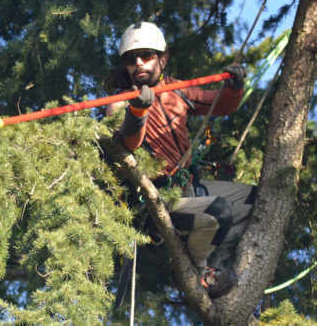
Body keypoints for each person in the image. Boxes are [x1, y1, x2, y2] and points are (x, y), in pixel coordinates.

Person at [105, 22, 255, 298]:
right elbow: (126, 145)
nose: (138, 62)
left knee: (253, 200)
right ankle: (197, 274)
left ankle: (217, 266)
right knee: (219, 212)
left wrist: (234, 87)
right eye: (131, 58)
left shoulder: (178, 90)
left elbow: (222, 105)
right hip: (159, 199)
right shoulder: (121, 101)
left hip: (190, 187)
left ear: (162, 58)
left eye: (147, 54)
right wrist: (137, 112)